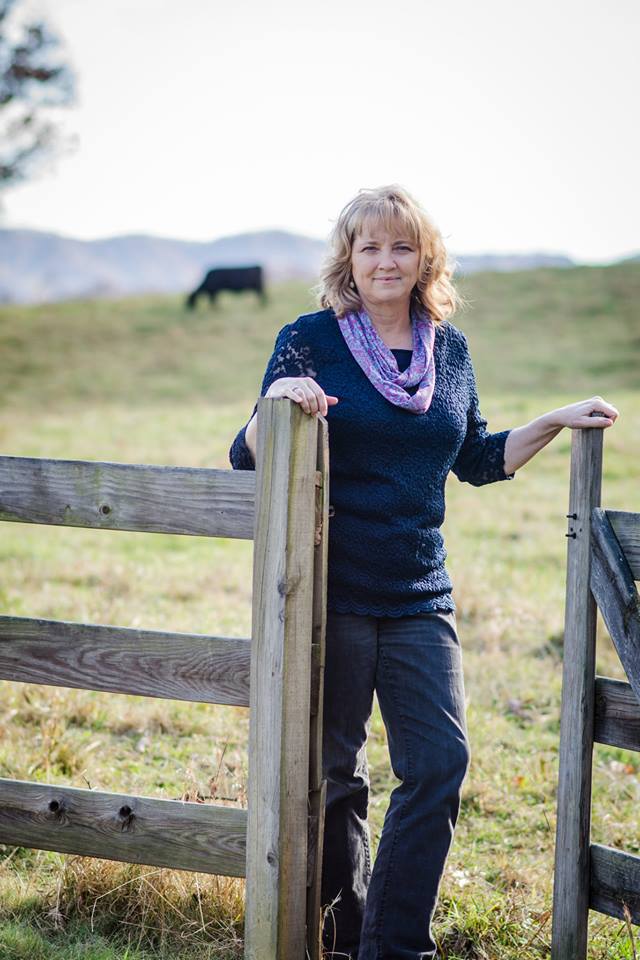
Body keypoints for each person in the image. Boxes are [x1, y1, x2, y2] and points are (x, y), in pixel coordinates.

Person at [229, 185, 618, 960]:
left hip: (418, 596)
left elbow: (474, 458)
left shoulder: (451, 350)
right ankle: (341, 942)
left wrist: (549, 421)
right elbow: (247, 455)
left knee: (440, 765)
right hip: (327, 594)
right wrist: (275, 399)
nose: (384, 260)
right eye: (369, 247)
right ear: (348, 258)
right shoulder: (308, 339)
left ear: (423, 259)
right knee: (336, 775)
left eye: (400, 247)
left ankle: (396, 946)